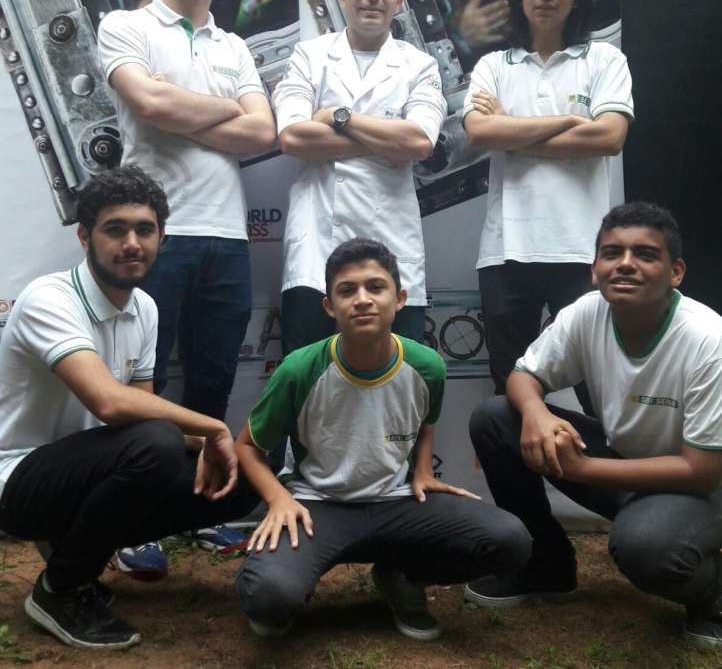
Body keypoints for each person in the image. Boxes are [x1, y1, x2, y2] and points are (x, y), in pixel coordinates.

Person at [0, 167, 258, 650]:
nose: (132, 243)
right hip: (17, 481)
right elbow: (110, 402)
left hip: (87, 471)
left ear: (162, 237)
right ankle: (59, 590)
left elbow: (146, 408)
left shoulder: (145, 307)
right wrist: (212, 428)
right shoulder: (47, 298)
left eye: (145, 229)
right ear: (84, 237)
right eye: (115, 229)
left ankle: (75, 547)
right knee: (156, 444)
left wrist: (224, 445)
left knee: (243, 472)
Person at [97, 0, 276, 572]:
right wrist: (223, 110)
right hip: (154, 237)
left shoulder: (235, 46)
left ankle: (199, 511)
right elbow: (147, 103)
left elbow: (263, 132)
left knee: (211, 382)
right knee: (140, 384)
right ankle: (127, 522)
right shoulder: (126, 26)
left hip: (227, 237)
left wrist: (182, 109)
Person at [235, 238, 531, 640]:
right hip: (316, 505)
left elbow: (425, 421)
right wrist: (279, 499)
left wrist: (422, 470)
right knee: (270, 598)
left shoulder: (427, 365)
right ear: (329, 306)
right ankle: (285, 578)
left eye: (375, 287)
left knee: (509, 541)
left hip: (398, 504)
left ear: (400, 299)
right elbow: (247, 447)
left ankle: (403, 576)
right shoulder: (299, 370)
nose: (362, 299)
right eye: (347, 290)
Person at [466, 202, 722, 648]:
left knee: (646, 546)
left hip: (701, 489)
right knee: (496, 418)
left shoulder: (708, 340)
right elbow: (524, 376)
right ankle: (546, 565)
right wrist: (538, 414)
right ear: (594, 268)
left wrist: (582, 469)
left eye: (645, 254)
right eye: (612, 253)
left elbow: (701, 471)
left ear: (676, 272)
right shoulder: (587, 312)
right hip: (626, 465)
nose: (625, 264)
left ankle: (712, 593)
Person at [463, 0, 634, 399]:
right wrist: (567, 122)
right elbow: (480, 132)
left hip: (583, 254)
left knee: (600, 394)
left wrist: (511, 130)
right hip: (505, 253)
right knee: (510, 395)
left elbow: (609, 137)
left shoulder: (604, 59)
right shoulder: (492, 66)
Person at [273, 0, 446, 354]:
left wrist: (339, 117)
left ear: (399, 0)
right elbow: (293, 137)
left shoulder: (419, 66)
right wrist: (387, 142)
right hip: (316, 248)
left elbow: (419, 142)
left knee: (398, 378)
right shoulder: (309, 56)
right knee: (308, 376)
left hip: (391, 246)